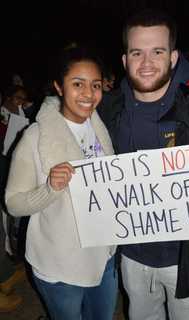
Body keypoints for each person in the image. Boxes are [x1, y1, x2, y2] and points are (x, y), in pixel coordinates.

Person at [98, 9, 189, 320]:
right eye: (137, 52)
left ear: (173, 57)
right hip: (133, 257)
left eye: (157, 51)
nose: (146, 63)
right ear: (124, 60)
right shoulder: (106, 111)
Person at [5, 47, 117, 320]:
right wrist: (50, 189)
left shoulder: (101, 127)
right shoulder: (35, 136)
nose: (89, 94)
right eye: (78, 84)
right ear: (59, 86)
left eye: (96, 85)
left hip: (103, 257)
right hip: (59, 266)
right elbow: (13, 203)